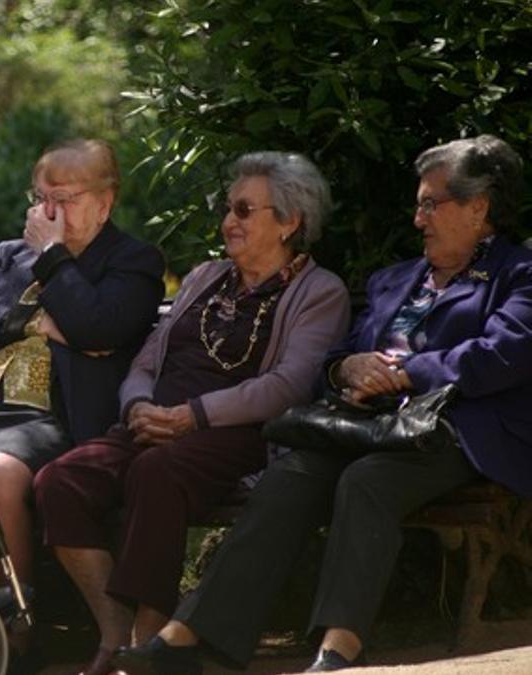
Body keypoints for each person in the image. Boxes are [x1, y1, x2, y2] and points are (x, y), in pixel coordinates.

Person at [121, 135, 532, 674]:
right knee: (295, 472)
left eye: (431, 203)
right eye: (418, 203)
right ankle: (191, 636)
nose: (418, 218)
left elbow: (500, 355)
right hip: (374, 424)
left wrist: (403, 373)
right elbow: (336, 356)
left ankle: (340, 646)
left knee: (367, 481)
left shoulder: (517, 275)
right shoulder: (396, 281)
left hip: (460, 427)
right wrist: (348, 368)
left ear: (478, 207)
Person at [35, 151, 351, 675]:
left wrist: (192, 416)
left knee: (156, 472)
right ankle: (114, 629)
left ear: (290, 221)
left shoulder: (319, 292)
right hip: (152, 423)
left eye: (245, 210)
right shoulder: (207, 277)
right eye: (228, 208)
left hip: (235, 433)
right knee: (59, 481)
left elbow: (286, 386)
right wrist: (138, 405)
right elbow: (146, 360)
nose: (229, 221)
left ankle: (152, 638)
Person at [0, 139, 165, 596]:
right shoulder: (13, 254)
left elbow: (98, 329)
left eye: (63, 200)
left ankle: (20, 614)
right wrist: (42, 322)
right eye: (40, 199)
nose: (47, 213)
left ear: (103, 205)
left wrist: (52, 258)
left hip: (55, 419)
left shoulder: (133, 261)